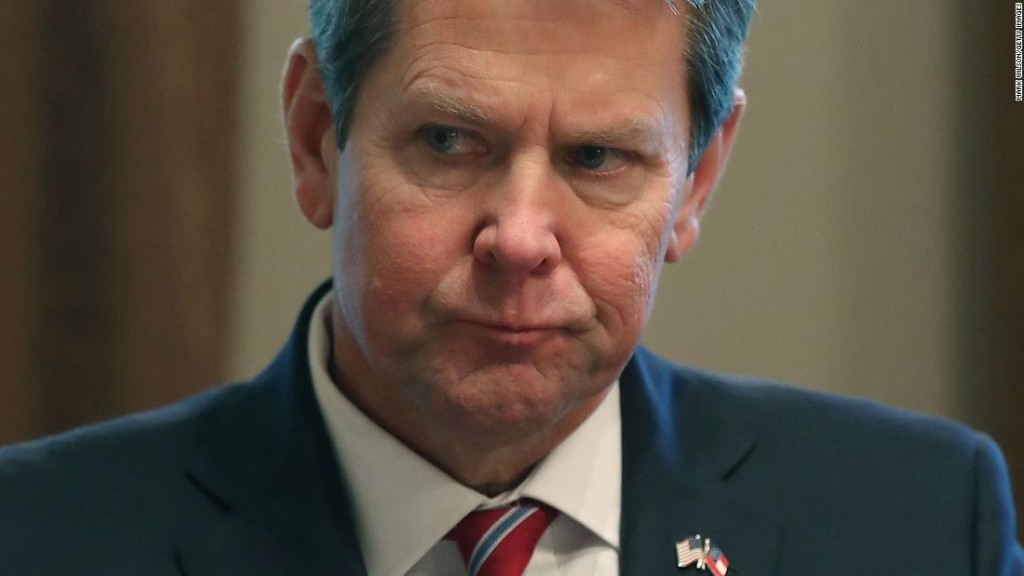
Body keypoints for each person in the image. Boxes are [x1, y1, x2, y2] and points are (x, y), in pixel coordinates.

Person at [1, 0, 1021, 574]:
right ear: (316, 139)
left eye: (597, 158)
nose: (521, 240)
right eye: (449, 142)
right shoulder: (39, 539)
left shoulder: (924, 527)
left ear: (697, 180)